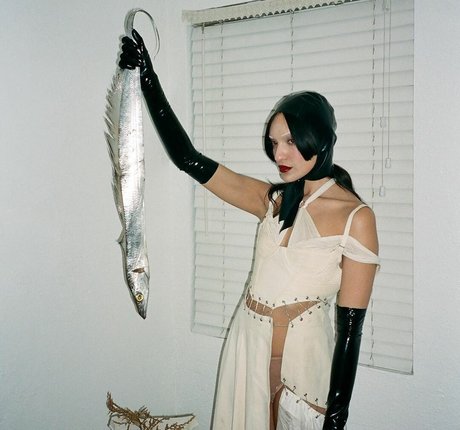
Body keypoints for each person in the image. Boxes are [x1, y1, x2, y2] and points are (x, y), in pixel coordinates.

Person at [119, 29, 379, 430]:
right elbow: (188, 159)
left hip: (305, 366)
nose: (280, 154)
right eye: (274, 143)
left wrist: (337, 415)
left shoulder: (355, 218)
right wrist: (147, 79)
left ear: (321, 138)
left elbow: (350, 328)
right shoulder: (272, 200)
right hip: (247, 350)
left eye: (290, 141)